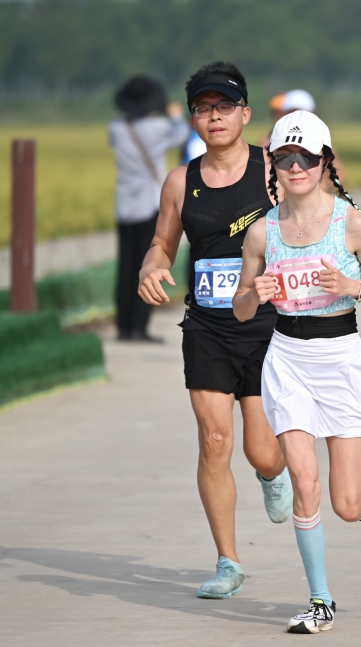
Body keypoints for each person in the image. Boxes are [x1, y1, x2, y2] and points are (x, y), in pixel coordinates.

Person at [233, 110, 361, 635]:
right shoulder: (263, 231)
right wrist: (252, 295)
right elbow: (240, 308)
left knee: (344, 503)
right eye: (284, 158)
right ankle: (320, 600)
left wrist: (354, 289)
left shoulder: (351, 223)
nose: (295, 167)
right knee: (304, 483)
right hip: (287, 360)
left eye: (305, 158)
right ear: (274, 166)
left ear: (325, 162)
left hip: (341, 359)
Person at [137, 61, 293, 599]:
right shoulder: (181, 181)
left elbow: (317, 220)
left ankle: (272, 474)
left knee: (261, 450)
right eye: (203, 108)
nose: (214, 117)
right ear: (192, 119)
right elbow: (162, 242)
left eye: (224, 106)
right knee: (214, 439)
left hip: (269, 326)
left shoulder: (275, 169)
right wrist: (151, 266)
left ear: (245, 114)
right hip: (207, 326)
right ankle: (228, 562)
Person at [110, 75, 189, 342]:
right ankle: (139, 328)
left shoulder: (117, 128)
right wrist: (176, 115)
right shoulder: (158, 127)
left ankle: (122, 326)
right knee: (148, 267)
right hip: (149, 203)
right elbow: (181, 134)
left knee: (125, 267)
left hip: (124, 205)